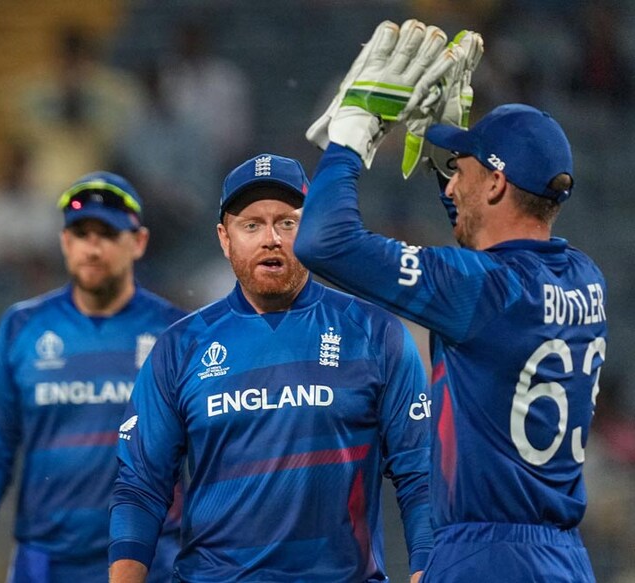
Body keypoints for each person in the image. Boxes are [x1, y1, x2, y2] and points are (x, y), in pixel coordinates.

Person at [295, 21, 607, 583]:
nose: (450, 186)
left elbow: (322, 241)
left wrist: (351, 136)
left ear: (496, 184)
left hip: (487, 556)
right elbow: (486, 252)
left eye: (460, 172)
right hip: (563, 557)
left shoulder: (481, 289)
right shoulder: (585, 278)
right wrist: (452, 154)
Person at [109, 153, 433, 582]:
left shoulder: (375, 334)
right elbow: (141, 487)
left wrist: (426, 570)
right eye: (251, 225)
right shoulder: (179, 348)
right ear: (224, 239)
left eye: (287, 222)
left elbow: (421, 476)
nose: (271, 239)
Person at [0, 172, 186, 583]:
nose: (92, 248)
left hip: (152, 565)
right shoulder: (22, 328)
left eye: (107, 234)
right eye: (80, 234)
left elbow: (212, 458)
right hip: (45, 566)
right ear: (64, 242)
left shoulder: (176, 334)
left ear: (139, 242)